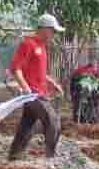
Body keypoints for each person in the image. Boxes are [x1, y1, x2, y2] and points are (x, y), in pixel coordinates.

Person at [7, 13, 65, 161]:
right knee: (53, 122)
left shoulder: (42, 46)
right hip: (33, 94)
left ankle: (14, 155)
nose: (54, 34)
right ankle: (51, 158)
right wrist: (26, 88)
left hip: (40, 92)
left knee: (27, 125)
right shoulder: (28, 44)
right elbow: (15, 68)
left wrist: (52, 83)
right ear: (44, 29)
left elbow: (40, 71)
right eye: (53, 30)